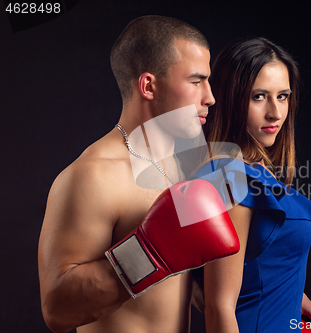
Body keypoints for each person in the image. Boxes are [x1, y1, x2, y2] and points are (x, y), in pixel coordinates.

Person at [38, 16, 220, 333]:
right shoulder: (93, 176)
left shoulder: (185, 168)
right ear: (148, 85)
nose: (209, 97)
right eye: (195, 82)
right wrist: (153, 252)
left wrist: (282, 294)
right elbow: (57, 308)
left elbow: (187, 287)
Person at [198, 37, 311, 333]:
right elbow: (217, 304)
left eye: (283, 96)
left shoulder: (254, 172)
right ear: (230, 97)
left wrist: (298, 300)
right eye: (258, 96)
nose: (275, 112)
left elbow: (258, 264)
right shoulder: (228, 176)